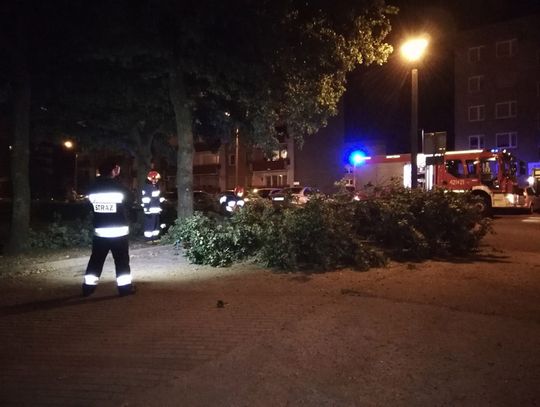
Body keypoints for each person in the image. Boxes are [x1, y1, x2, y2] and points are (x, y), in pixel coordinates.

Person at [82, 158, 135, 297]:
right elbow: (131, 200)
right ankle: (124, 289)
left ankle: (88, 288)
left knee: (96, 260)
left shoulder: (92, 188)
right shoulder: (119, 187)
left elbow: (87, 206)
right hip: (118, 232)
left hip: (100, 232)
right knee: (122, 261)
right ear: (113, 171)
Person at [141, 170, 165, 242]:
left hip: (156, 210)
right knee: (149, 225)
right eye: (156, 179)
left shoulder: (154, 186)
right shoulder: (147, 187)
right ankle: (148, 239)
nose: (157, 180)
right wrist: (147, 210)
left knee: (156, 224)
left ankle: (155, 238)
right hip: (150, 211)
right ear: (152, 178)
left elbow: (155, 198)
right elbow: (146, 199)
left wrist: (161, 200)